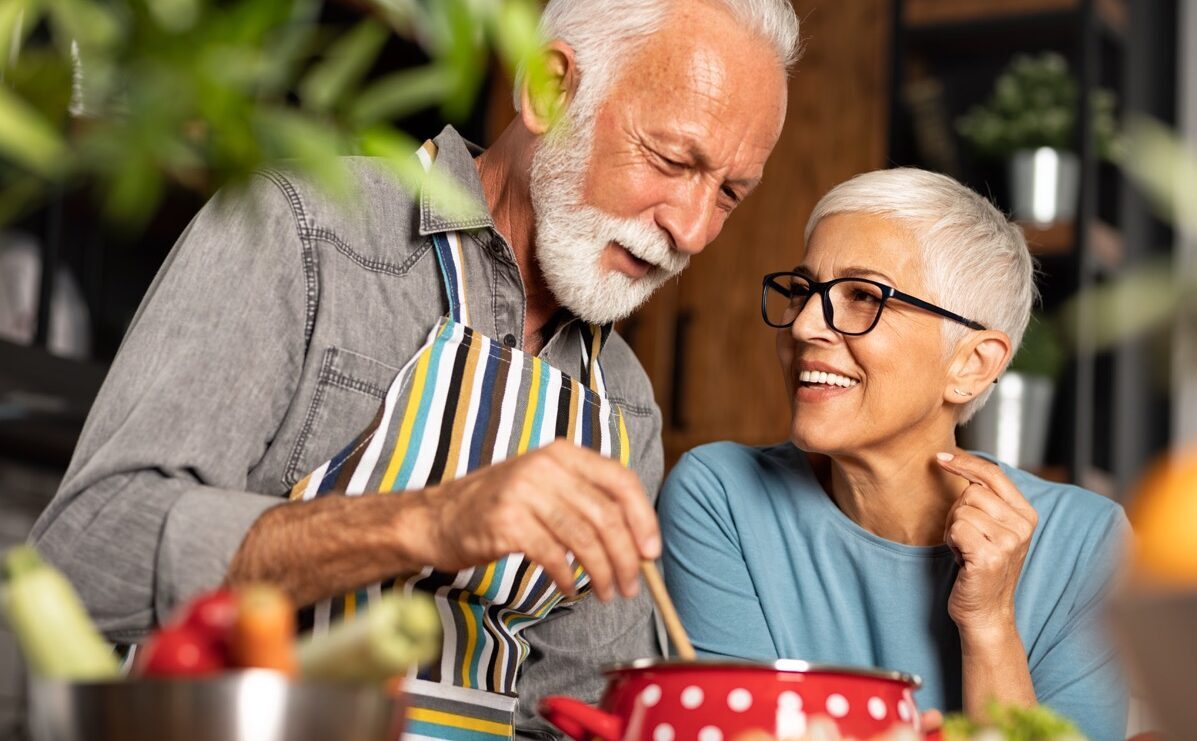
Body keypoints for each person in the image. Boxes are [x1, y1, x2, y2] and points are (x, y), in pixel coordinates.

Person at [30, 0, 798, 737]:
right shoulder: (299, 230)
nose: (692, 229)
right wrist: (426, 522)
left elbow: (568, 713)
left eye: (729, 192)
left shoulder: (622, 404)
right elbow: (84, 563)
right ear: (547, 90)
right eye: (669, 158)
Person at [658, 169, 1130, 741]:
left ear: (972, 364)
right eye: (804, 290)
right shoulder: (721, 495)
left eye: (863, 297)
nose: (805, 325)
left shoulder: (1087, 543)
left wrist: (989, 624)